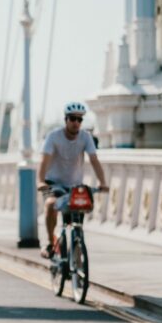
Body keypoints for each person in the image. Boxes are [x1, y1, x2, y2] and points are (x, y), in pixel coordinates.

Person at [37, 101, 109, 258]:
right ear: (66, 119)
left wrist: (103, 183)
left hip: (75, 186)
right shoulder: (54, 137)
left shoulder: (86, 137)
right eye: (72, 119)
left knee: (77, 222)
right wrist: (41, 181)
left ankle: (74, 257)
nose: (76, 122)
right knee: (50, 204)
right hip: (54, 183)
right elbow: (44, 160)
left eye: (79, 119)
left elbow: (94, 160)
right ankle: (50, 242)